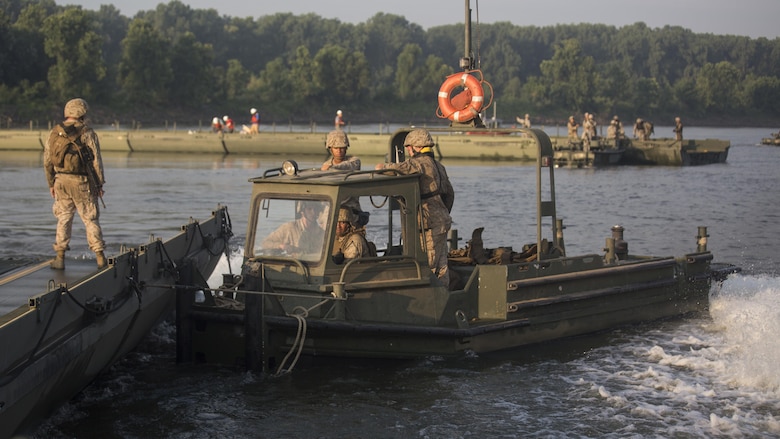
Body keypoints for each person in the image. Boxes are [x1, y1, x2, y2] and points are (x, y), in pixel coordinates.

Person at [375, 128, 454, 287]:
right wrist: (442, 212)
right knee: (442, 266)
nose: (408, 151)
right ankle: (444, 298)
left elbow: (394, 170)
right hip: (442, 220)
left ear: (414, 147)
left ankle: (430, 303)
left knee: (428, 266)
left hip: (429, 225)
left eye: (409, 148)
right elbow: (450, 194)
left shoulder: (418, 164)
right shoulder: (439, 166)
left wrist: (380, 167)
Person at [43, 98, 106, 270]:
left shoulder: (54, 132)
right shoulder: (88, 133)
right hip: (82, 182)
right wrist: (99, 185)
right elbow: (96, 162)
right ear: (82, 113)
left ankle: (60, 258)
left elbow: (47, 161)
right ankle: (100, 257)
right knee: (90, 218)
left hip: (60, 181)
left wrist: (51, 183)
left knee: (63, 218)